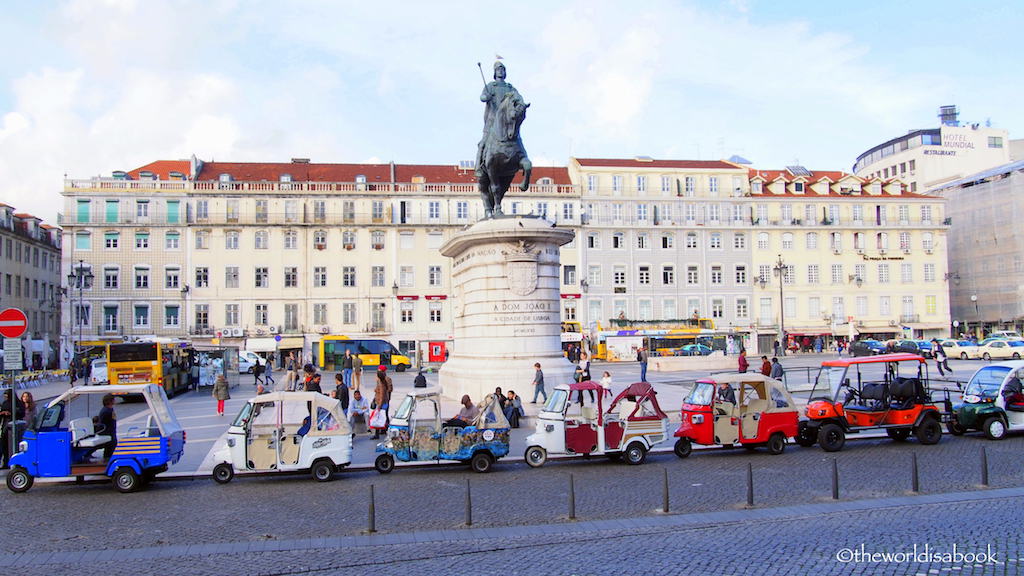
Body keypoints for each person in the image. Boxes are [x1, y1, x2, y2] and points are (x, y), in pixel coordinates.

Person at [0, 390, 25, 468]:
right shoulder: (5, 403)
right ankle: (5, 462)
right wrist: (3, 413)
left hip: (16, 425)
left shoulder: (18, 403)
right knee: (4, 445)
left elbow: (21, 413)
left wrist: (12, 413)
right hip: (6, 425)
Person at [372, 366, 393, 439]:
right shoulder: (380, 380)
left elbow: (386, 391)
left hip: (383, 401)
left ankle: (386, 430)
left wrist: (380, 403)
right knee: (383, 416)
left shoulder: (384, 381)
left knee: (382, 416)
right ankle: (384, 430)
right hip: (383, 400)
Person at [97, 394, 117, 459]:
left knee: (112, 444)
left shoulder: (109, 410)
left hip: (110, 430)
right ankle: (108, 458)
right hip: (107, 431)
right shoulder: (107, 411)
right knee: (111, 445)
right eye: (113, 399)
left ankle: (108, 457)